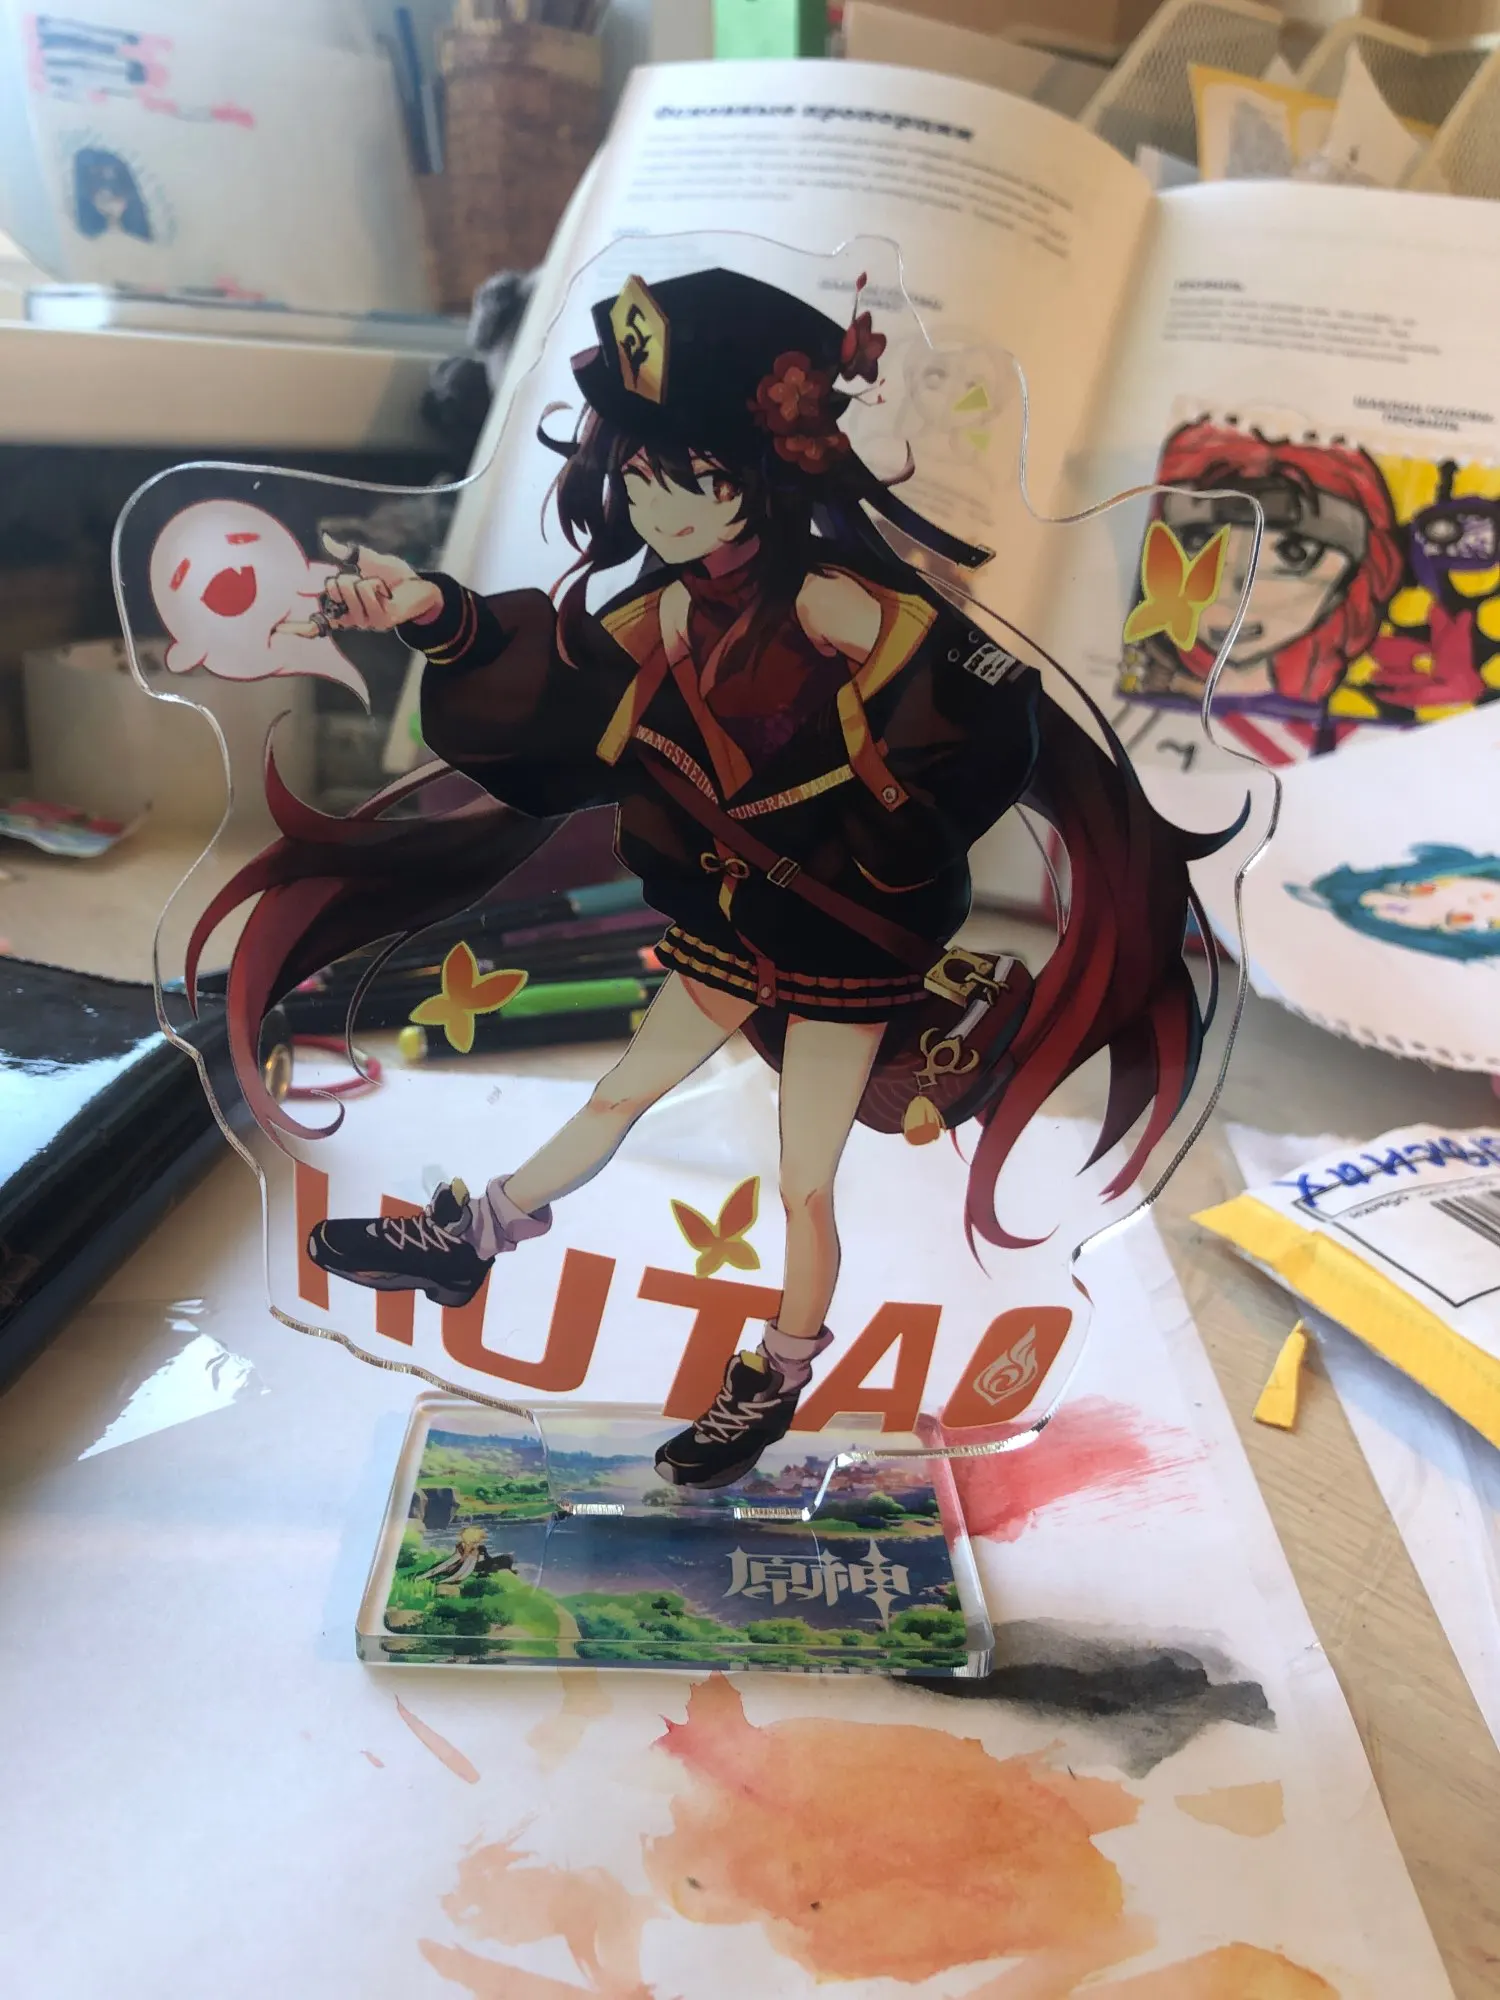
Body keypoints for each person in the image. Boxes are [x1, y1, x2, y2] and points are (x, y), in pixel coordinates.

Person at [187, 268, 1232, 1488]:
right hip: (734, 918)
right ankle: (472, 1239)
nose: (654, 503)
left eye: (687, 477)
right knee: (620, 1092)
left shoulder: (842, 603)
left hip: (844, 939)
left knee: (803, 1179)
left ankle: (776, 1376)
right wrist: (437, 615)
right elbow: (559, 699)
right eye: (638, 476)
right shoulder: (666, 613)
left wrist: (882, 818)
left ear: (759, 476)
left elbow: (977, 729)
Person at [1120, 420, 1405, 745]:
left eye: (1293, 553)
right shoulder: (1139, 686)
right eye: (1198, 541)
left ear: (1357, 574)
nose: (1234, 592)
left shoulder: (1360, 724)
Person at [1290, 846, 1500, 960]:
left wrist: (1458, 923)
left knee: (1390, 910)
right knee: (1391, 895)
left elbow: (1468, 938)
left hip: (1436, 912)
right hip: (1445, 891)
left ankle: (1345, 900)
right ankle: (1343, 894)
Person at [72, 147, 153, 241]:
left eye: (115, 182)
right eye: (100, 178)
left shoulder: (141, 239)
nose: (108, 191)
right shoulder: (89, 239)